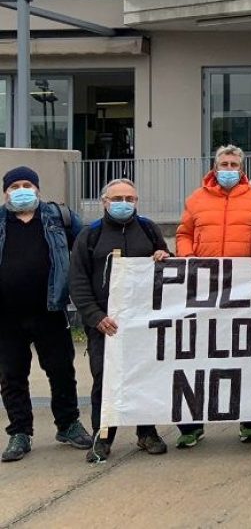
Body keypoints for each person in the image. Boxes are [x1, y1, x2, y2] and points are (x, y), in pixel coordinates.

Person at [175, 145, 251, 448]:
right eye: (223, 164)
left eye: (233, 164)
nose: (228, 168)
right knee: (198, 356)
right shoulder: (196, 199)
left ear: (242, 168)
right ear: (214, 167)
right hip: (205, 290)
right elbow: (183, 234)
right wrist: (189, 258)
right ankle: (191, 425)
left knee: (248, 356)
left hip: (246, 290)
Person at [68, 178, 171, 462]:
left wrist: (165, 255)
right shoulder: (90, 236)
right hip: (105, 324)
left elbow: (167, 267)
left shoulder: (149, 230)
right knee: (105, 379)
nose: (124, 204)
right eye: (117, 198)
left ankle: (147, 432)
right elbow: (77, 281)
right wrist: (95, 317)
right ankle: (102, 437)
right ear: (104, 202)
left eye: (130, 198)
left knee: (144, 375)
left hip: (143, 321)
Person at [0, 166, 92, 463]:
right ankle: (20, 432)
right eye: (15, 186)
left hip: (50, 310)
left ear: (38, 189)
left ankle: (67, 425)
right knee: (12, 375)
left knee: (61, 370)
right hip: (7, 315)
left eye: (28, 184)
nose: (22, 190)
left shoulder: (60, 218)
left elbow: (88, 249)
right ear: (6, 192)